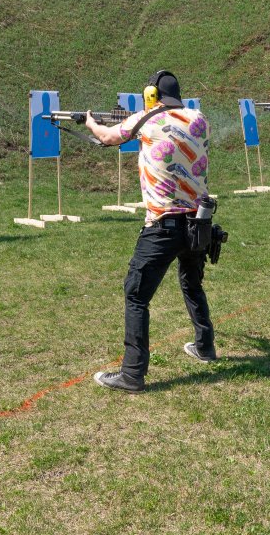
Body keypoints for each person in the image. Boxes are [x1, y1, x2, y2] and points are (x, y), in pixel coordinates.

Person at [85, 70, 216, 393]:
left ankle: (132, 374)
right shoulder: (199, 118)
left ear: (152, 94)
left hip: (163, 225)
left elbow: (107, 137)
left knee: (136, 295)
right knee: (192, 283)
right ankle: (205, 346)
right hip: (198, 223)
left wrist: (90, 122)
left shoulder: (149, 118)